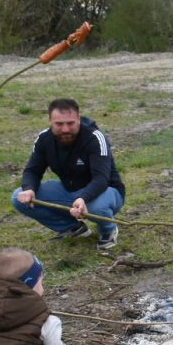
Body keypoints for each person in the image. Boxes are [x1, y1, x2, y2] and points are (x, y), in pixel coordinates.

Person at [11, 98, 125, 251]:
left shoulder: (95, 137)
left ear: (78, 119)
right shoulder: (44, 139)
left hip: (105, 192)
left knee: (95, 206)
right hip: (69, 190)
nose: (65, 129)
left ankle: (108, 229)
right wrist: (29, 188)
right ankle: (73, 228)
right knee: (18, 197)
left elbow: (101, 178)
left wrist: (83, 198)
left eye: (70, 123)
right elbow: (32, 170)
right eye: (59, 124)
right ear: (50, 121)